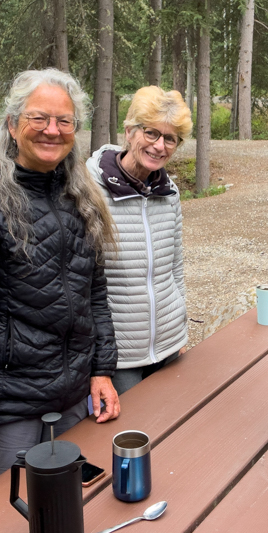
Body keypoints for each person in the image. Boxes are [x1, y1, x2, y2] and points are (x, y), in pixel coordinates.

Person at [0, 68, 120, 490]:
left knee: (74, 506)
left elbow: (95, 295)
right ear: (13, 125)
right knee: (5, 525)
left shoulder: (82, 197)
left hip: (74, 398)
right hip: (10, 408)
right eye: (39, 118)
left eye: (64, 121)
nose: (52, 131)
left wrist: (102, 370)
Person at [87, 86, 192, 395]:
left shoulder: (169, 192)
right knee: (128, 436)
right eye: (151, 133)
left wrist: (179, 334)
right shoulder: (92, 189)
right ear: (130, 131)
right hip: (119, 358)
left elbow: (176, 268)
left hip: (169, 347)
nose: (160, 146)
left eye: (170, 138)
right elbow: (83, 282)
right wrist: (97, 365)